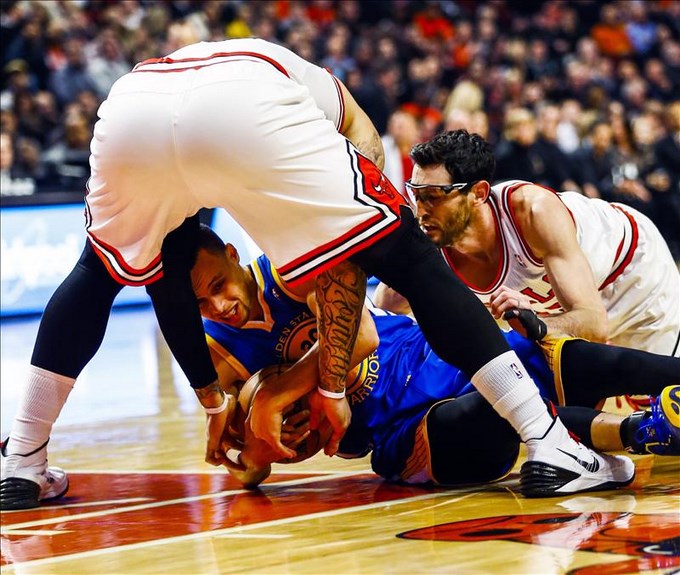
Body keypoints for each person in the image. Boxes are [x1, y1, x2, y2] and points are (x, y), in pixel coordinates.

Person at [0, 39, 629, 510]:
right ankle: (546, 441)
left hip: (131, 105)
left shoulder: (258, 89)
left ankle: (22, 457)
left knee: (95, 276)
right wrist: (321, 388)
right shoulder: (324, 103)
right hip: (241, 104)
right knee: (410, 259)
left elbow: (162, 277)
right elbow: (354, 250)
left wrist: (222, 398)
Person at [186, 226, 679, 491]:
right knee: (497, 406)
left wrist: (276, 392)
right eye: (201, 304)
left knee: (570, 358)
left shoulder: (287, 271)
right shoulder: (217, 353)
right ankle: (641, 432)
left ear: (232, 253)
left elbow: (359, 338)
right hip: (406, 430)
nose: (219, 307)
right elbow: (249, 471)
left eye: (218, 287)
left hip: (432, 356)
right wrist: (260, 445)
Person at [375, 129, 680, 360]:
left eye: (433, 196)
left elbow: (593, 323)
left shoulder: (533, 212)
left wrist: (535, 325)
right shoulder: (430, 238)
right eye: (416, 194)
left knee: (660, 401)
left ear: (479, 193)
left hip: (632, 274)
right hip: (567, 307)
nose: (420, 210)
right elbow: (383, 316)